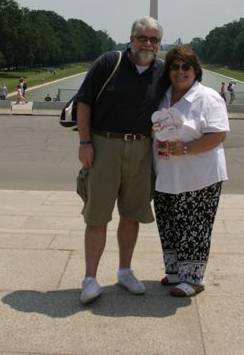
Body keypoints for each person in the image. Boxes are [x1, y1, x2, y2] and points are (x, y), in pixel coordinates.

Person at [76, 16, 167, 304]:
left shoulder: (162, 70)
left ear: (159, 44)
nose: (147, 43)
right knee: (97, 215)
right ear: (131, 38)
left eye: (153, 39)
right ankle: (90, 278)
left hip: (141, 149)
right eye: (142, 37)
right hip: (105, 145)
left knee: (132, 214)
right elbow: (84, 102)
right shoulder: (109, 62)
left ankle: (125, 270)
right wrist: (85, 142)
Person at [152, 46, 229, 298]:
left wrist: (184, 148)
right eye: (175, 66)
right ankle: (175, 271)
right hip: (167, 173)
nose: (180, 71)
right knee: (170, 223)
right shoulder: (163, 97)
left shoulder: (207, 98)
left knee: (194, 226)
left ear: (196, 71)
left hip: (199, 176)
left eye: (186, 67)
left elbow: (218, 135)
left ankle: (193, 278)